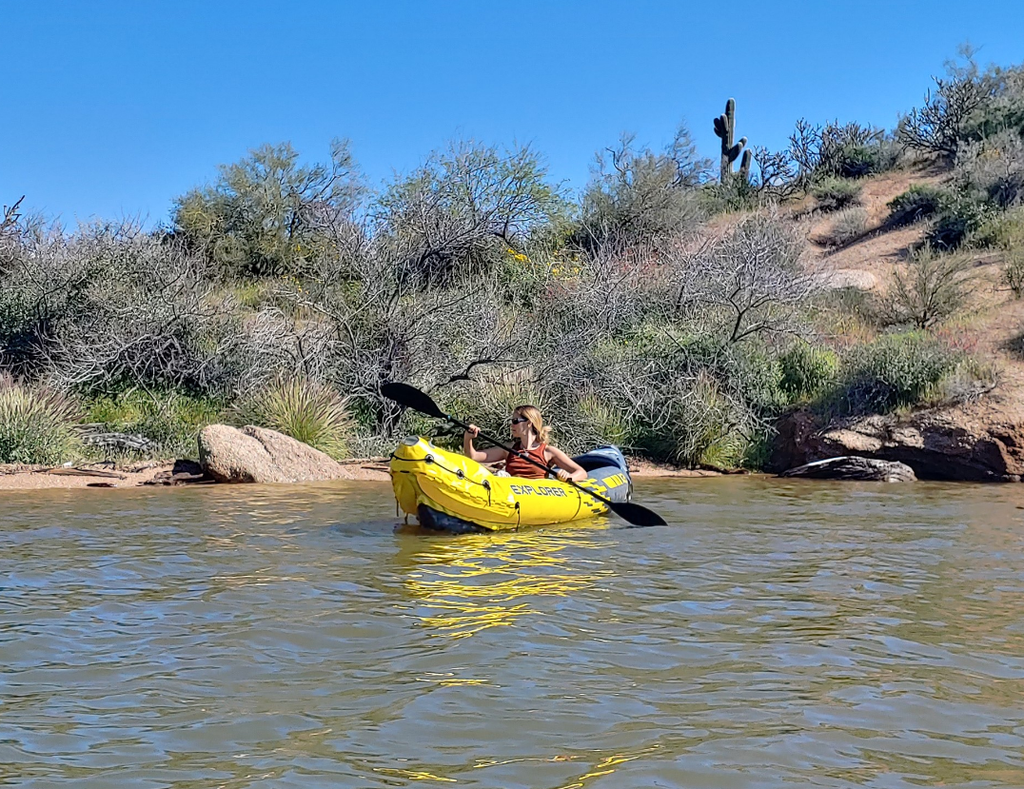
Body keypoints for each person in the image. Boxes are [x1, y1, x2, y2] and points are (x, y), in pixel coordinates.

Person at [462, 405, 587, 482]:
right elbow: (474, 456)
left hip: (534, 497)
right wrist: (468, 438)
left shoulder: (548, 452)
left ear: (529, 423)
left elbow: (581, 472)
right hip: (511, 494)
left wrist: (568, 477)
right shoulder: (509, 449)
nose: (512, 425)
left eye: (515, 421)